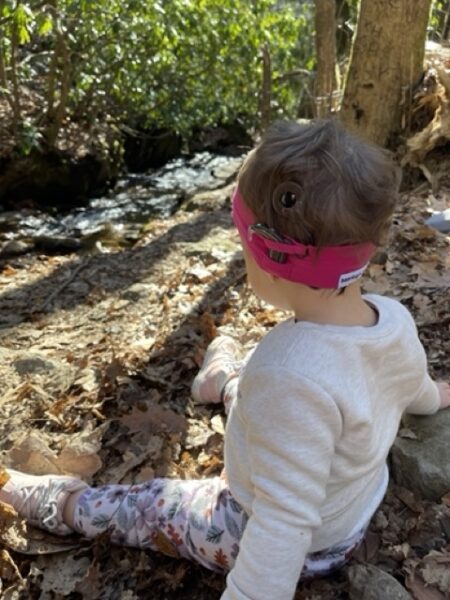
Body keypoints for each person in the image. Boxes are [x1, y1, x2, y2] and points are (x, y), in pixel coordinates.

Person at [1, 119, 449, 600]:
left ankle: (61, 503)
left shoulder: (287, 374)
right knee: (263, 398)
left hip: (282, 534)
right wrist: (436, 397)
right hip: (351, 506)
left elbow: (283, 522)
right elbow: (412, 385)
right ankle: (223, 377)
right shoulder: (393, 320)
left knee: (149, 504)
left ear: (273, 263)